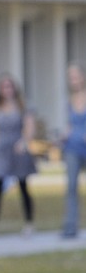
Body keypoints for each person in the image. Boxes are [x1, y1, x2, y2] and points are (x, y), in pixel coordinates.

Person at [0, 74, 36, 238]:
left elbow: (29, 127)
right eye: (4, 87)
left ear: (15, 88)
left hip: (18, 150)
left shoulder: (22, 107)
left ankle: (29, 224)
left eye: (9, 86)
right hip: (2, 151)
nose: (7, 90)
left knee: (23, 187)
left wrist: (24, 142)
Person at [61, 63, 86, 238]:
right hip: (72, 148)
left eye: (76, 76)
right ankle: (70, 227)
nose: (73, 80)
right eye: (71, 77)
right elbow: (70, 125)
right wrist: (63, 135)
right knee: (71, 188)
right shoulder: (69, 101)